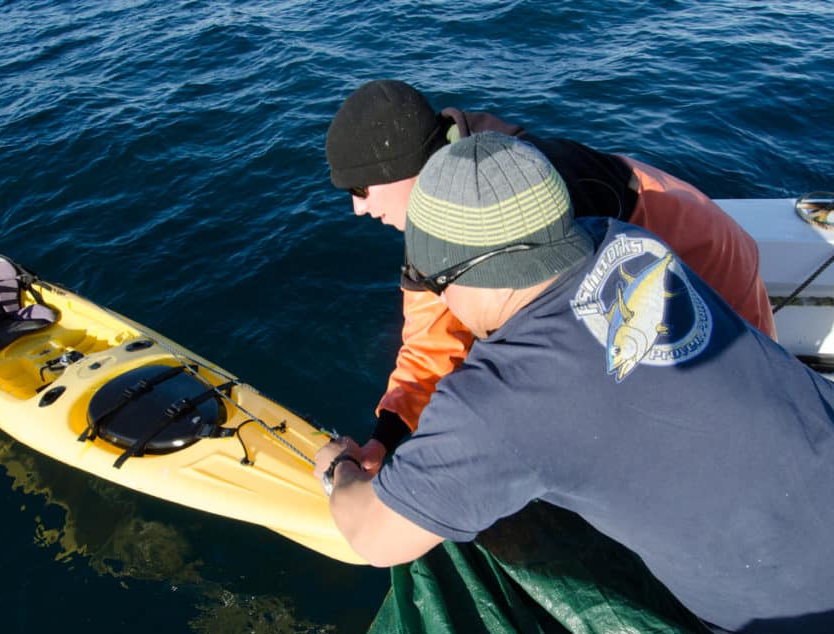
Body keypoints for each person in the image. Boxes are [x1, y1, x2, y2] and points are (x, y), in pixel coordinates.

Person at [316, 132, 834, 634]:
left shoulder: (501, 399)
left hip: (830, 629)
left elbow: (375, 538)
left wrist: (338, 467)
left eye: (434, 284)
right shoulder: (624, 242)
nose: (442, 303)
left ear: (460, 273)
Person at [324, 79, 777, 471]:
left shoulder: (529, 203)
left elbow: (572, 353)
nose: (357, 207)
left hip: (691, 244)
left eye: (361, 190)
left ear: (402, 168)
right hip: (620, 246)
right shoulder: (434, 225)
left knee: (736, 405)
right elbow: (430, 346)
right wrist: (385, 439)